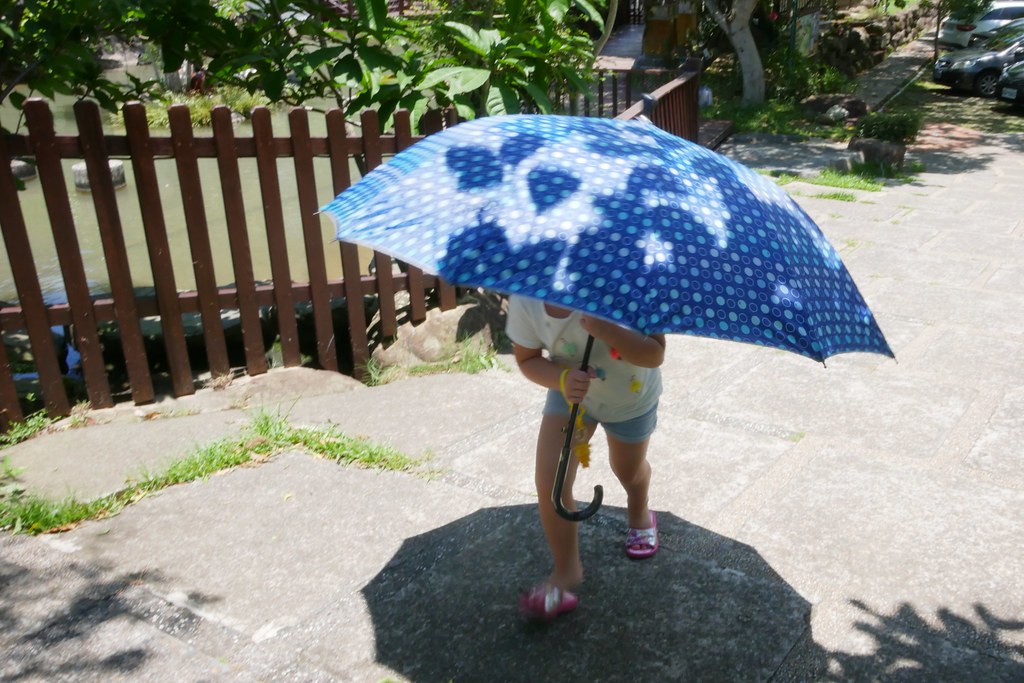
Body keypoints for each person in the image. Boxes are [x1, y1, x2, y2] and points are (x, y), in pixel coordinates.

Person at [505, 294, 666, 621]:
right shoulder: (527, 297)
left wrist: (610, 329)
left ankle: (639, 508)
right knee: (551, 479)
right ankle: (566, 571)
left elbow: (655, 353)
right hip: (571, 395)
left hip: (630, 399)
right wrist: (561, 380)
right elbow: (527, 359)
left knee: (626, 469)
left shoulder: (626, 283)